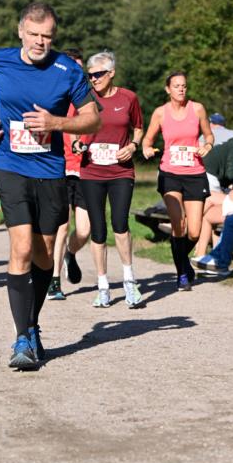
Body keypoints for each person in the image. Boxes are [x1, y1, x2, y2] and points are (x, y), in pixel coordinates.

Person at [0, 2, 101, 370]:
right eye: (34, 34)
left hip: (50, 170)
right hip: (9, 165)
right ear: (20, 31)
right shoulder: (0, 60)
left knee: (45, 254)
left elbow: (93, 120)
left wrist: (55, 123)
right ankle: (21, 339)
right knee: (22, 246)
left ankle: (32, 324)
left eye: (47, 36)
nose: (40, 42)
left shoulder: (67, 69)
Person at [76, 50, 144, 308]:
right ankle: (103, 286)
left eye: (99, 74)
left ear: (112, 73)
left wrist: (134, 146)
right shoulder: (85, 98)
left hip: (121, 171)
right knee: (98, 228)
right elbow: (75, 131)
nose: (93, 79)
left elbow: (138, 127)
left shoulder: (129, 98)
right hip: (91, 171)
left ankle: (129, 282)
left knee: (120, 224)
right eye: (90, 75)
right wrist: (77, 145)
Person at [142, 72, 213, 290]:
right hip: (170, 173)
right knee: (178, 224)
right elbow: (148, 138)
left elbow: (209, 135)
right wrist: (145, 147)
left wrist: (208, 145)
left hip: (194, 173)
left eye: (184, 85)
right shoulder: (160, 113)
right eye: (176, 86)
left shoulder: (197, 109)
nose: (181, 89)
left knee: (194, 230)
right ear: (168, 89)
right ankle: (182, 273)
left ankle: (182, 262)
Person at [46, 48, 91, 301]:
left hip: (84, 169)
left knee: (84, 230)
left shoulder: (87, 98)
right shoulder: (53, 96)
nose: (78, 71)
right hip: (59, 168)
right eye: (73, 66)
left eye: (80, 66)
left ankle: (69, 254)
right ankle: (54, 282)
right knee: (61, 228)